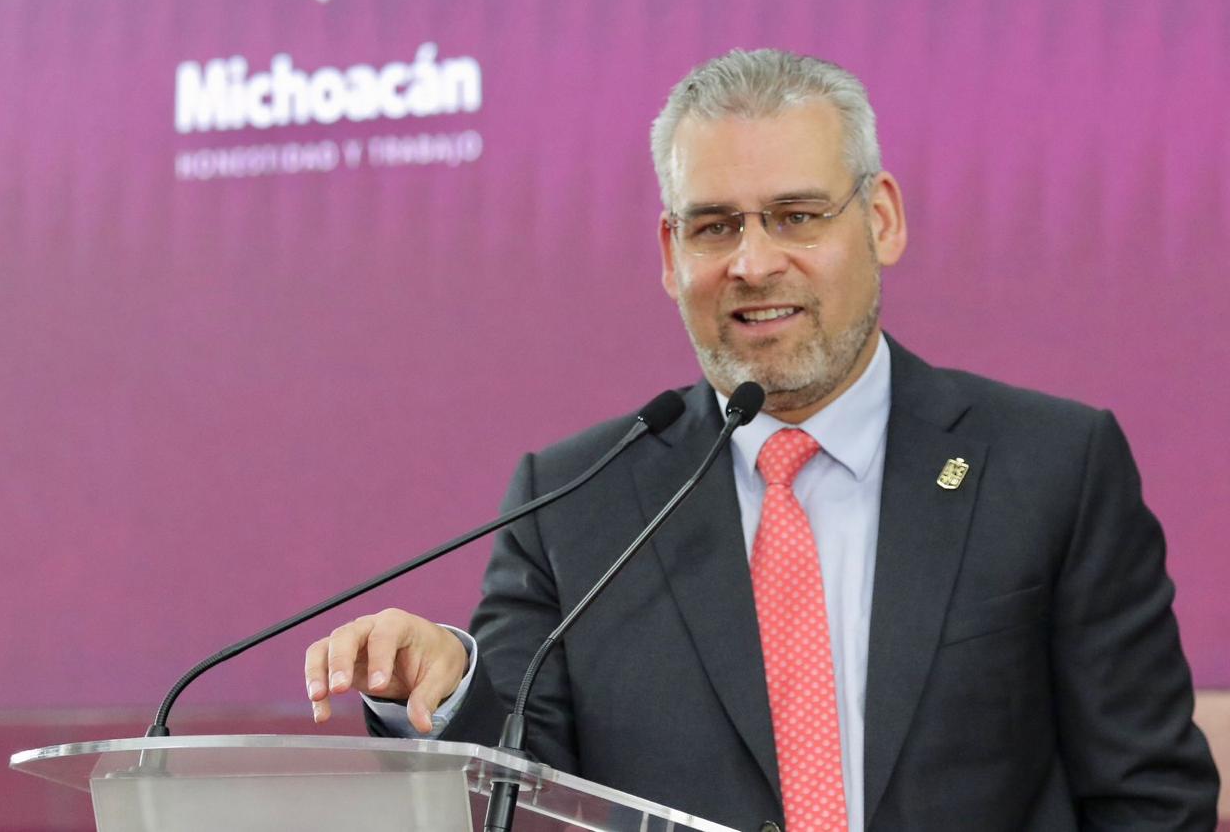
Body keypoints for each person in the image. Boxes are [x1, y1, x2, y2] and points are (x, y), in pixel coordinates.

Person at [304, 49, 1219, 830]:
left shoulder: (1053, 468)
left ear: (881, 218)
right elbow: (523, 788)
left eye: (796, 215)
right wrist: (445, 690)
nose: (752, 262)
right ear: (671, 254)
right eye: (715, 227)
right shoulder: (575, 501)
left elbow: (1149, 801)